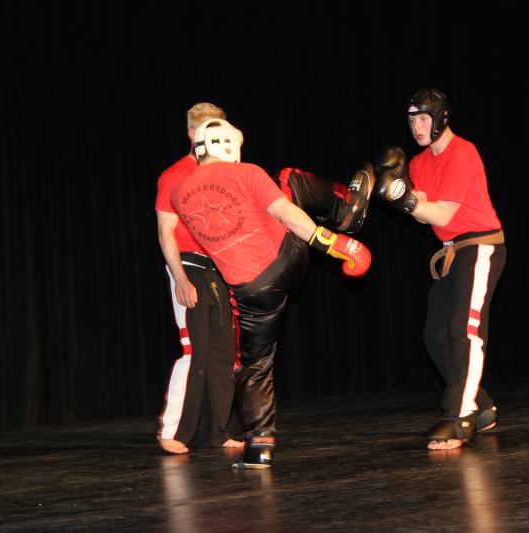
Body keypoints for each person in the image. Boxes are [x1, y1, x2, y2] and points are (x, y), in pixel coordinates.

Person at [171, 118, 372, 468]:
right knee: (289, 179)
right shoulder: (247, 172)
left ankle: (259, 445)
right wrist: (332, 243)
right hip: (287, 259)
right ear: (231, 146)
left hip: (251, 292)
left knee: (255, 365)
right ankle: (346, 211)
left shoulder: (178, 194)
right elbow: (287, 213)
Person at [373, 88, 506, 451]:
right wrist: (402, 195)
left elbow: (444, 214)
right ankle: (481, 406)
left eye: (423, 118)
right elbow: (425, 214)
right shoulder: (419, 163)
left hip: (480, 246)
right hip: (451, 252)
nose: (417, 126)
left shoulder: (463, 152)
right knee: (435, 335)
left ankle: (460, 418)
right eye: (412, 120)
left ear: (441, 118)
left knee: (465, 331)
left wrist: (404, 199)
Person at [155, 102, 241, 455]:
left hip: (216, 268)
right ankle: (174, 431)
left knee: (224, 351)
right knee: (196, 350)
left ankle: (218, 432)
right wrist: (179, 278)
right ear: (193, 134)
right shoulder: (175, 175)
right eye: (208, 130)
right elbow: (165, 231)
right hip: (187, 266)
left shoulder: (224, 174)